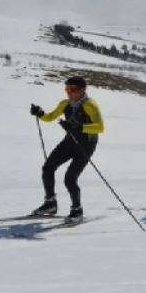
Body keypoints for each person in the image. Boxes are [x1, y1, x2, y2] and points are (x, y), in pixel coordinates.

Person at [30, 76, 105, 224]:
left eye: (72, 90)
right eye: (66, 89)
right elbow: (50, 117)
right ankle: (50, 203)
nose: (68, 93)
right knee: (48, 168)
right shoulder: (65, 104)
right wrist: (39, 113)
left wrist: (78, 127)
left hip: (86, 145)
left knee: (70, 178)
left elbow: (100, 127)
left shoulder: (90, 105)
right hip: (70, 141)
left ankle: (77, 210)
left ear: (83, 90)